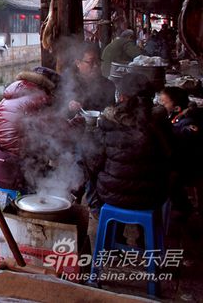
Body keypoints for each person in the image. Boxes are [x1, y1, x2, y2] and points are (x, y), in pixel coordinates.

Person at [85, 73, 169, 213]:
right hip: (155, 195)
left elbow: (94, 162)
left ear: (122, 96)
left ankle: (96, 211)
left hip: (113, 195)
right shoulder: (161, 121)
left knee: (88, 157)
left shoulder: (109, 121)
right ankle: (145, 233)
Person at [0, 66, 61, 191]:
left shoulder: (7, 99)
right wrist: (78, 122)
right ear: (49, 87)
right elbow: (58, 132)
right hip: (17, 173)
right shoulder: (40, 100)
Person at [159, 86, 202, 215]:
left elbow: (182, 146)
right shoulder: (176, 117)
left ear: (177, 108)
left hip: (188, 167)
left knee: (165, 176)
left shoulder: (188, 123)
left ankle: (182, 208)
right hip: (181, 162)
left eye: (164, 103)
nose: (160, 105)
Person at [60, 42, 116, 116]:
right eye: (91, 62)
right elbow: (58, 110)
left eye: (98, 61)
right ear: (78, 63)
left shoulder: (108, 85)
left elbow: (111, 111)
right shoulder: (68, 83)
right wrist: (69, 106)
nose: (96, 66)